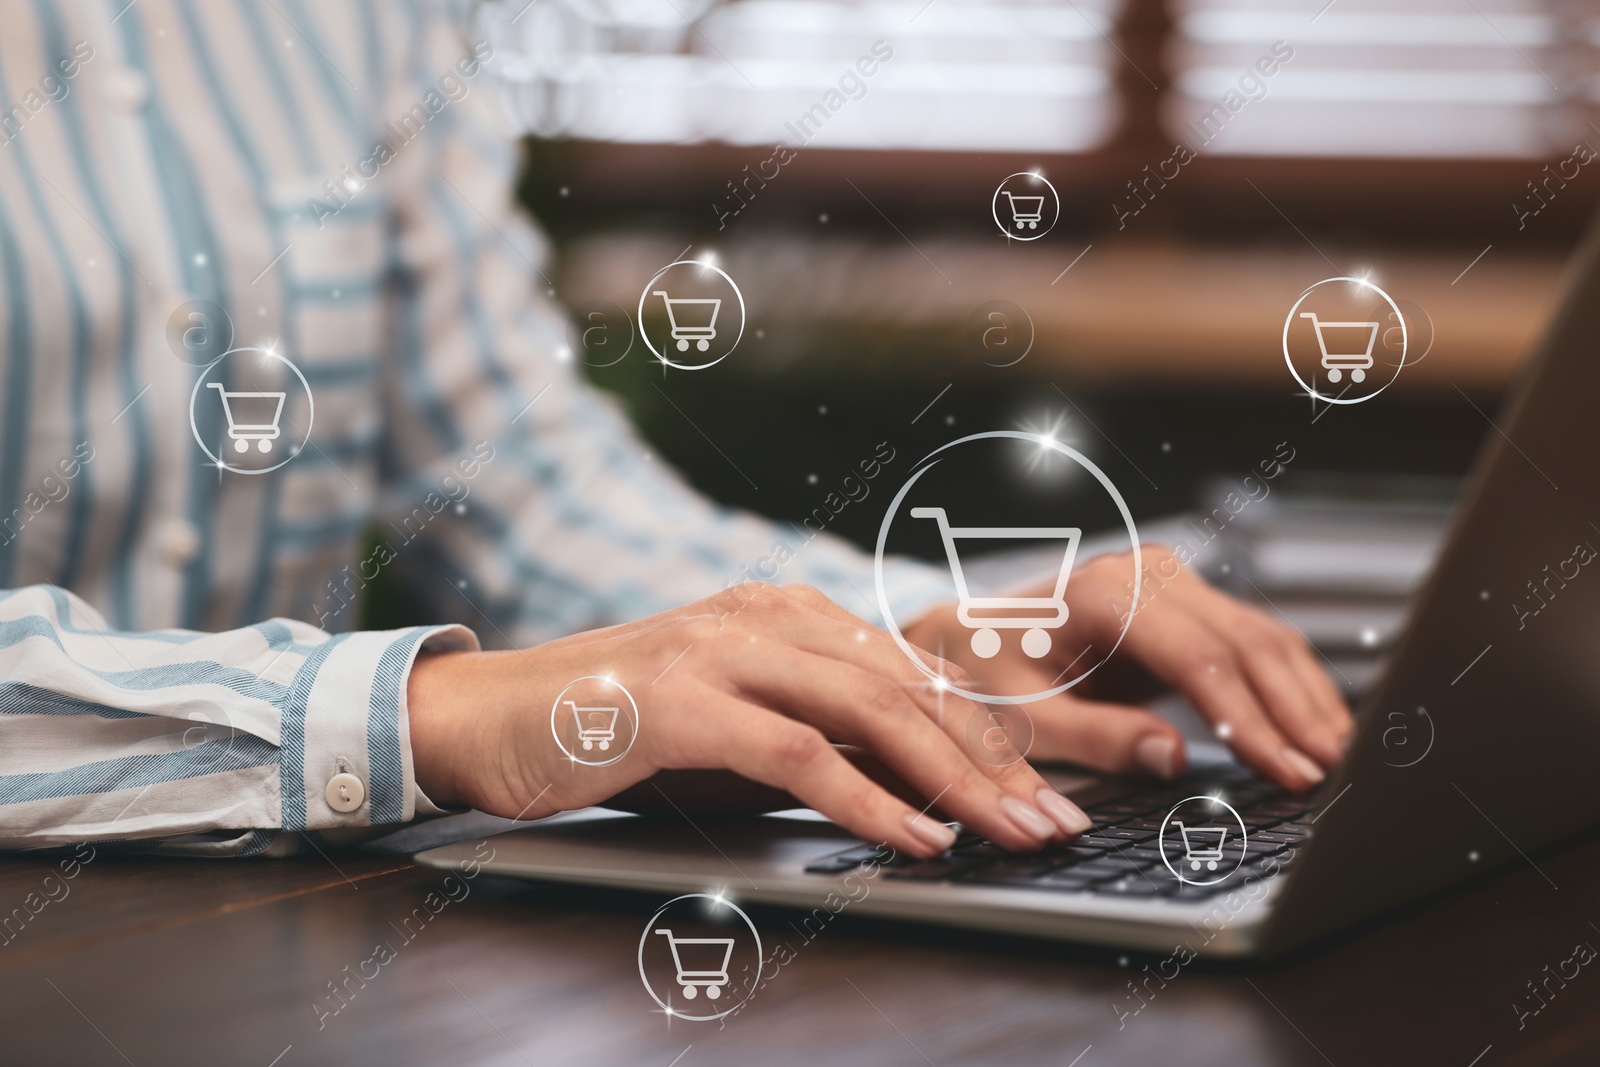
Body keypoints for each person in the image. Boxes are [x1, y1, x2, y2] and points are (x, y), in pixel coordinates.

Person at [0, 2, 1349, 861]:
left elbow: (513, 472)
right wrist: (424, 713)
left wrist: (914, 647)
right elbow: (445, 708)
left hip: (260, 958)